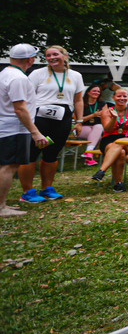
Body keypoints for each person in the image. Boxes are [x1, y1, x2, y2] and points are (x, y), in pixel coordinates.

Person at [17, 45, 84, 202]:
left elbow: (78, 100)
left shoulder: (75, 75)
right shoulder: (38, 74)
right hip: (39, 117)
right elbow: (27, 96)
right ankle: (27, 192)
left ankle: (47, 188)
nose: (51, 57)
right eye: (48, 55)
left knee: (52, 154)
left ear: (64, 55)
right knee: (31, 154)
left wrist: (79, 121)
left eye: (55, 54)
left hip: (63, 118)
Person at [1, 45, 49, 216]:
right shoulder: (18, 78)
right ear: (30, 59)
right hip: (13, 128)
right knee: (8, 166)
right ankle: (1, 207)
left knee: (6, 165)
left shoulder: (5, 73)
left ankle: (3, 204)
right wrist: (35, 132)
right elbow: (20, 109)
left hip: (7, 127)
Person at [90, 88, 128, 192]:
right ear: (113, 98)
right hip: (109, 139)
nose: (122, 98)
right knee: (120, 152)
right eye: (119, 96)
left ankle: (101, 171)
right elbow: (108, 129)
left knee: (121, 142)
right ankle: (118, 184)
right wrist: (113, 118)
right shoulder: (107, 111)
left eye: (124, 96)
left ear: (127, 98)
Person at [80, 84, 108, 166]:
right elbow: (78, 119)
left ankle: (88, 155)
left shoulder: (102, 103)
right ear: (88, 92)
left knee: (98, 127)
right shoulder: (81, 102)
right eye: (94, 91)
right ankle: (89, 153)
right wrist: (93, 115)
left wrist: (104, 115)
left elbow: (106, 117)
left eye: (98, 91)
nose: (97, 93)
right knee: (97, 134)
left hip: (97, 128)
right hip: (82, 128)